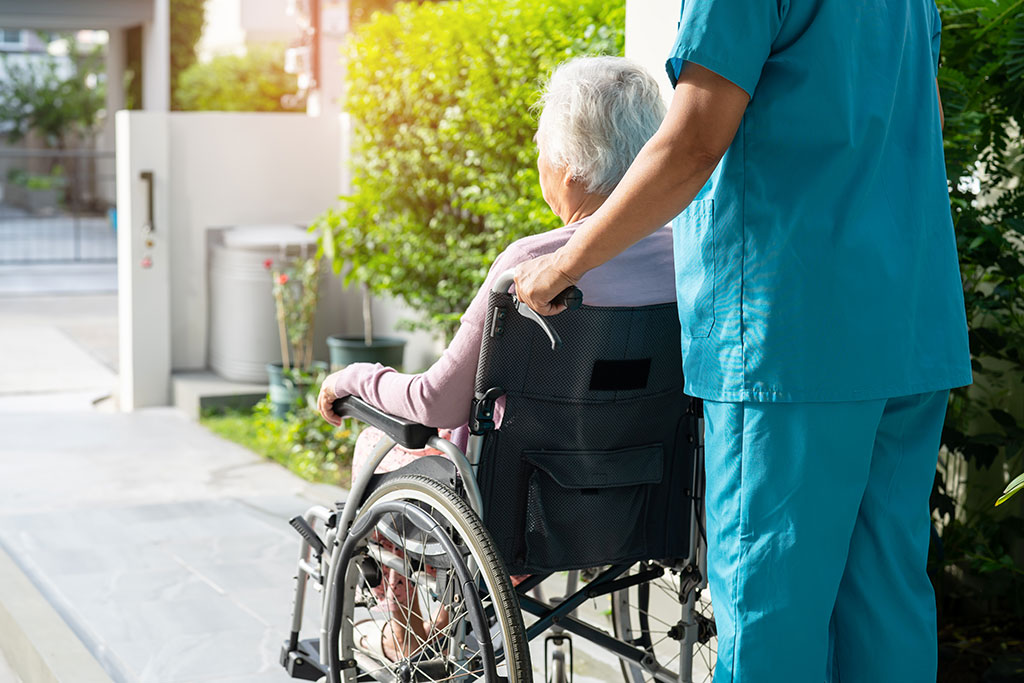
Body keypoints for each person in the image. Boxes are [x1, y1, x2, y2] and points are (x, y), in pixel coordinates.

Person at [513, 2, 972, 682]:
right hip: (907, 323)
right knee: (885, 598)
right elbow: (923, 125)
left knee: (771, 615)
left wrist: (563, 264)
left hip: (792, 335)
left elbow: (694, 142)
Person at [316, 55, 677, 662]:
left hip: (523, 504)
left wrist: (352, 377)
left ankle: (407, 629)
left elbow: (435, 401)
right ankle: (459, 613)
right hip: (639, 491)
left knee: (376, 441)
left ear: (568, 167)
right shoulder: (685, 259)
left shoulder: (533, 266)